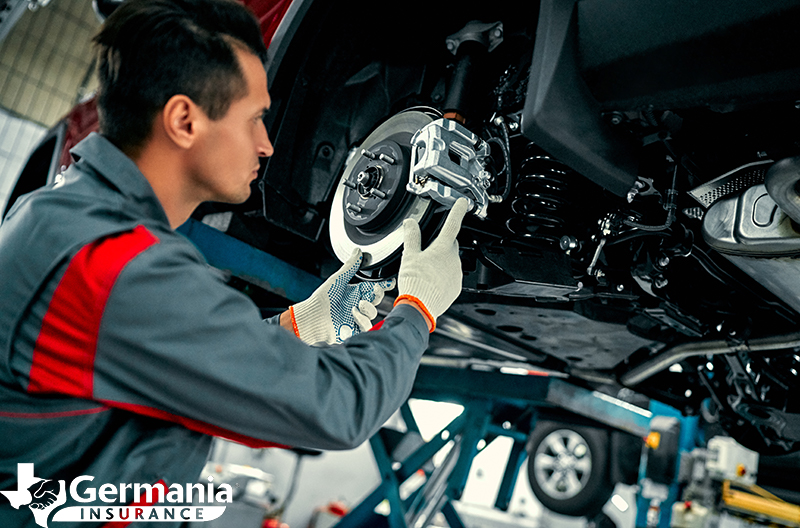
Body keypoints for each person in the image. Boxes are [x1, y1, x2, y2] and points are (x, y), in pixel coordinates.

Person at [0, 0, 468, 524]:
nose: (268, 144)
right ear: (184, 120)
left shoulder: (68, 222)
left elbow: (196, 372)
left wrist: (308, 323)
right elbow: (337, 408)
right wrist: (417, 310)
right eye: (254, 119)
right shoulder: (110, 264)